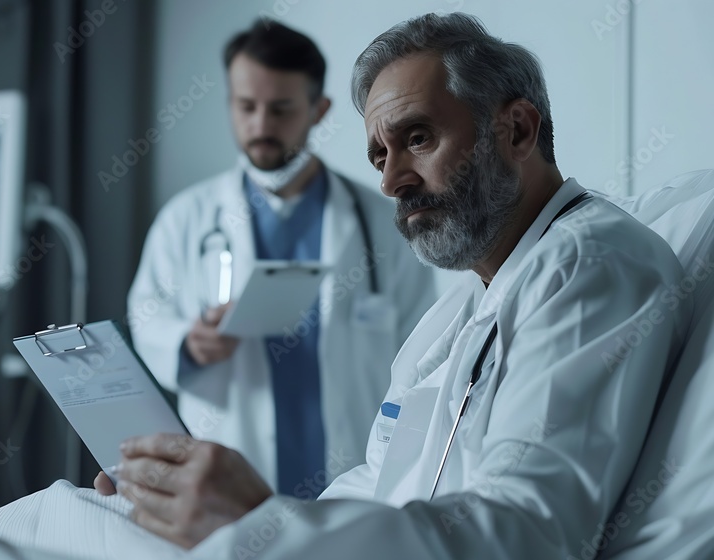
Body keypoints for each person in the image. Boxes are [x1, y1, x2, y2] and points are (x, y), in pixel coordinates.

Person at [92, 12, 691, 557]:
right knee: (74, 515)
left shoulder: (584, 264)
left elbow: (529, 531)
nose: (391, 181)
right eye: (380, 155)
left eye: (418, 138)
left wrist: (261, 525)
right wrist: (233, 523)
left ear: (517, 130)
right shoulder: (466, 302)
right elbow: (376, 480)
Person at [127, 19, 436, 497]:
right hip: (225, 470)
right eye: (245, 107)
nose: (261, 127)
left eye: (281, 109)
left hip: (352, 475)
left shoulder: (383, 221)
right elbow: (147, 320)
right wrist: (188, 344)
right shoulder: (185, 219)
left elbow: (420, 352)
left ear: (319, 109)